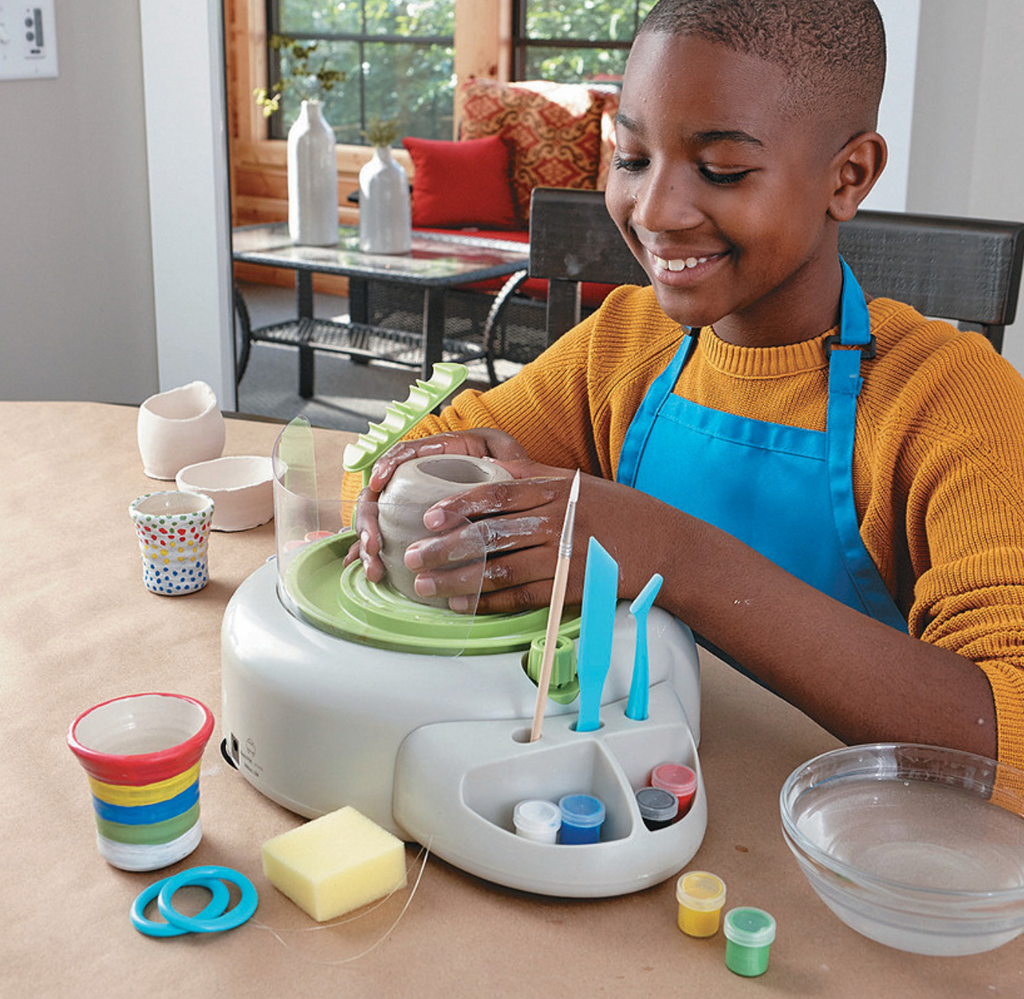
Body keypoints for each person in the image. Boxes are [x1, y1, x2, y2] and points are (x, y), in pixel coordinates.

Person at [345, 0, 1024, 767]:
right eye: (631, 158)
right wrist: (417, 484)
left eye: (722, 170)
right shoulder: (623, 344)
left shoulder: (950, 399)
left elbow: (1008, 734)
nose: (655, 210)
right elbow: (393, 469)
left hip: (831, 847)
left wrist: (667, 552)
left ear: (849, 174)